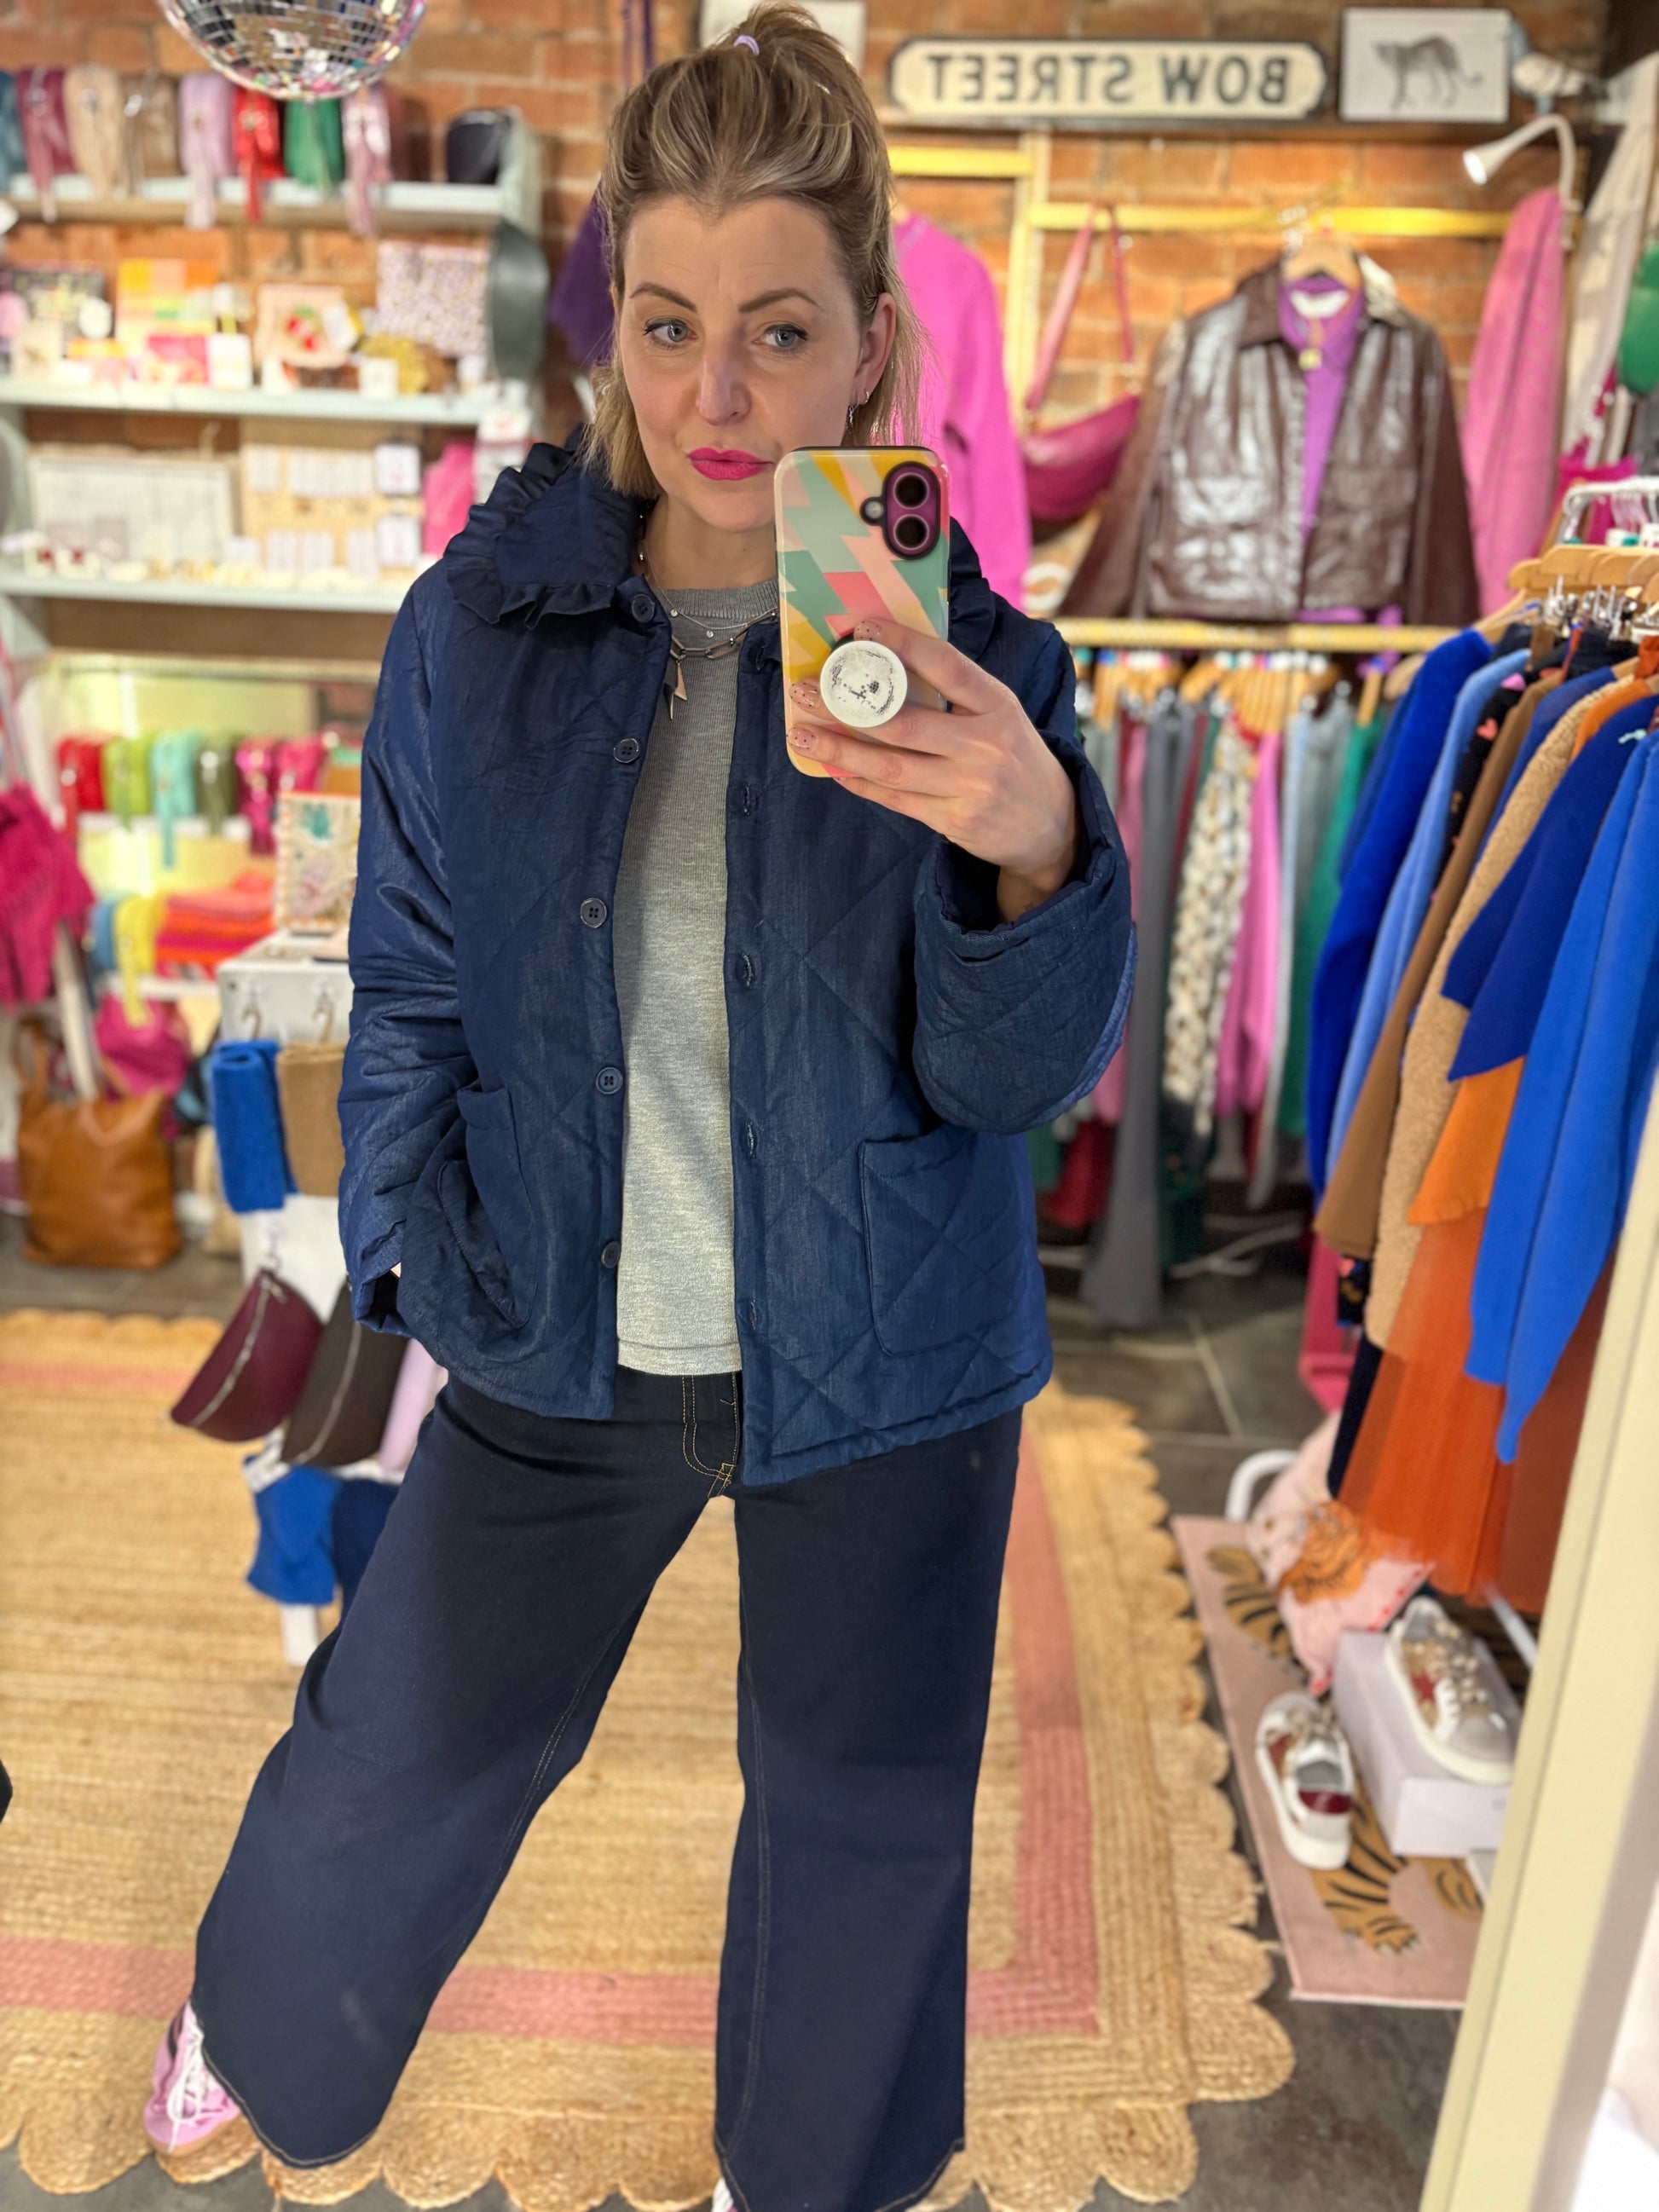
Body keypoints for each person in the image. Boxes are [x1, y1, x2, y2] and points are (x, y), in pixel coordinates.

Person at [142, 9, 1134, 2206]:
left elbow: (1012, 1080)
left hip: (884, 1359)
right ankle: (258, 2014)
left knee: (863, 1812)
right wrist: (416, 1233)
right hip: (554, 1317)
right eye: (670, 326)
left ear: (870, 347)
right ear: (613, 320)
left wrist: (1033, 847)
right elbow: (407, 978)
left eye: (778, 333)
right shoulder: (474, 634)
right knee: (406, 1742)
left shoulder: (980, 667)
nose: (714, 395)